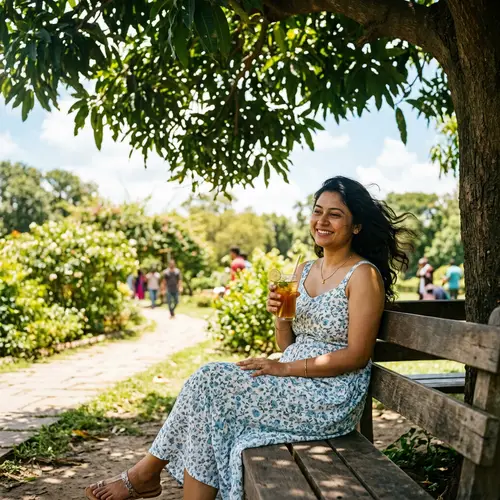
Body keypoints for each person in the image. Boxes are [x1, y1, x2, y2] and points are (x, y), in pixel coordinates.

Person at [85, 176, 413, 500]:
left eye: (335, 214)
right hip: (295, 382)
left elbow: (357, 355)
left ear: (356, 226)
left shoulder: (363, 275)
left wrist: (283, 368)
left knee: (210, 383)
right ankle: (147, 476)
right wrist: (281, 316)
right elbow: (288, 345)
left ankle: (144, 475)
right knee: (209, 393)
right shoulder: (304, 270)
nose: (322, 220)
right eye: (317, 211)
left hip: (330, 396)